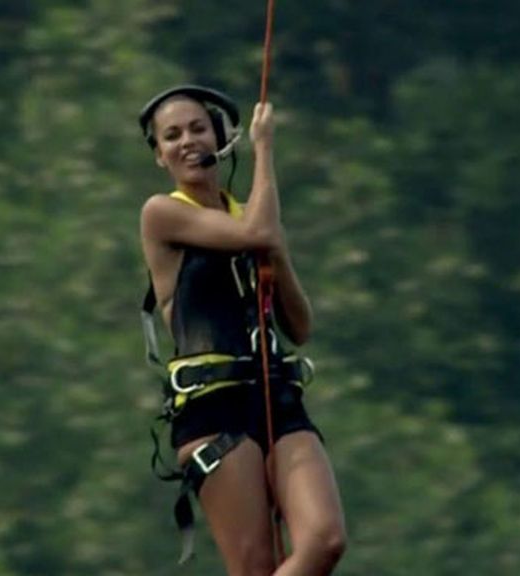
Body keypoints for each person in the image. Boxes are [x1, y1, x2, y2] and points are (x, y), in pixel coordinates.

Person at [138, 85, 346, 576]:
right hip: (214, 409)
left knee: (325, 538)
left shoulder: (252, 215)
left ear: (220, 137)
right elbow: (256, 234)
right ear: (160, 155)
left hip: (275, 396)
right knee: (255, 565)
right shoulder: (162, 213)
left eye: (198, 129)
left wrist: (275, 251)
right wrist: (265, 151)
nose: (187, 141)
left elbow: (300, 325)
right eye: (172, 136)